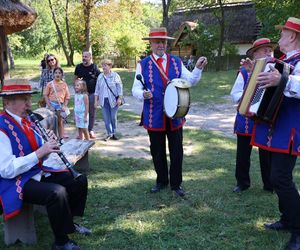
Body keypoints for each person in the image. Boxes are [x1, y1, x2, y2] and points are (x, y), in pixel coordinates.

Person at [0, 79, 90, 250]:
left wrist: (49, 146)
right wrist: (40, 152)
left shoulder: (28, 120)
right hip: (14, 182)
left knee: (78, 181)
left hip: (34, 172)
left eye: (29, 98)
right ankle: (61, 242)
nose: (29, 103)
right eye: (24, 99)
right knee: (56, 193)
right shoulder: (1, 127)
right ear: (8, 102)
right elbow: (7, 170)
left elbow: (42, 152)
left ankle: (69, 222)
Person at [132, 27, 207, 197]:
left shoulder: (176, 61)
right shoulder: (142, 65)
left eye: (163, 41)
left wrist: (198, 68)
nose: (161, 44)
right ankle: (161, 181)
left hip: (175, 115)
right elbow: (135, 89)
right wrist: (143, 94)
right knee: (157, 151)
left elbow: (191, 81)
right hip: (154, 114)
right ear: (151, 43)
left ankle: (176, 184)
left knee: (176, 151)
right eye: (157, 41)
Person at [249, 17, 300, 250]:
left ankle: (298, 231)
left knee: (281, 178)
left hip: (291, 128)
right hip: (275, 126)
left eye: (283, 33)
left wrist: (282, 79)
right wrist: (255, 72)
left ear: (292, 36)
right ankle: (287, 219)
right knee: (274, 175)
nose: (279, 37)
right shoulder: (283, 60)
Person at [230, 38, 277, 193]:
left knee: (267, 153)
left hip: (265, 119)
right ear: (255, 54)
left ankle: (269, 184)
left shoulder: (275, 72)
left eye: (270, 50)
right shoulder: (244, 72)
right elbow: (234, 94)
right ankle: (242, 183)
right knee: (243, 154)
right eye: (264, 50)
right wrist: (248, 98)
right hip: (246, 119)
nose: (269, 52)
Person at [94, 59, 123, 141]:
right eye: (102, 65)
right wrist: (96, 101)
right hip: (103, 101)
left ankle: (114, 133)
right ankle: (109, 133)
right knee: (106, 119)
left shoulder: (115, 76)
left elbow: (120, 88)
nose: (103, 67)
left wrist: (119, 99)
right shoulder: (100, 76)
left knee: (113, 117)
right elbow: (97, 90)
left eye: (105, 65)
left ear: (110, 66)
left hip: (113, 100)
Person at [74, 51, 101, 139]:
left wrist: (98, 92)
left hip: (92, 93)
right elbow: (75, 79)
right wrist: (77, 88)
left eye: (86, 56)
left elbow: (100, 78)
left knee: (91, 112)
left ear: (90, 58)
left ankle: (90, 130)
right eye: (83, 56)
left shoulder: (94, 67)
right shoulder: (79, 67)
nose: (84, 58)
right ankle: (80, 132)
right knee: (80, 112)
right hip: (81, 94)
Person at [44, 67, 71, 140]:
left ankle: (61, 137)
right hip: (52, 104)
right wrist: (49, 106)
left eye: (59, 73)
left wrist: (65, 106)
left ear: (62, 75)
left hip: (60, 105)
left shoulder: (64, 84)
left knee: (60, 121)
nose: (57, 74)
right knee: (52, 122)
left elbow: (67, 96)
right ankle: (52, 138)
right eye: (56, 73)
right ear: (53, 74)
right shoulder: (50, 84)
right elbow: (45, 95)